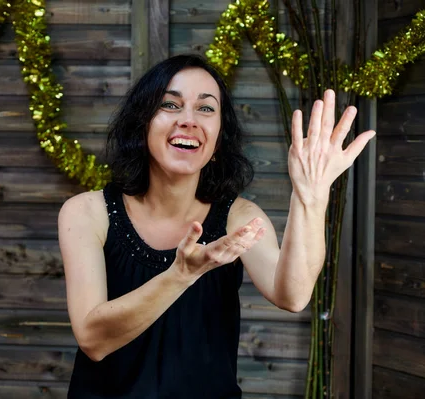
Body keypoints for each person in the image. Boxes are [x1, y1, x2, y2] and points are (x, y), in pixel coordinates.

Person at [58, 54, 375, 398]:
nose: (189, 120)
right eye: (170, 105)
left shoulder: (238, 216)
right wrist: (180, 275)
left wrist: (310, 197)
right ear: (142, 123)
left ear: (219, 139)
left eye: (206, 109)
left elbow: (293, 295)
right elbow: (93, 340)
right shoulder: (87, 212)